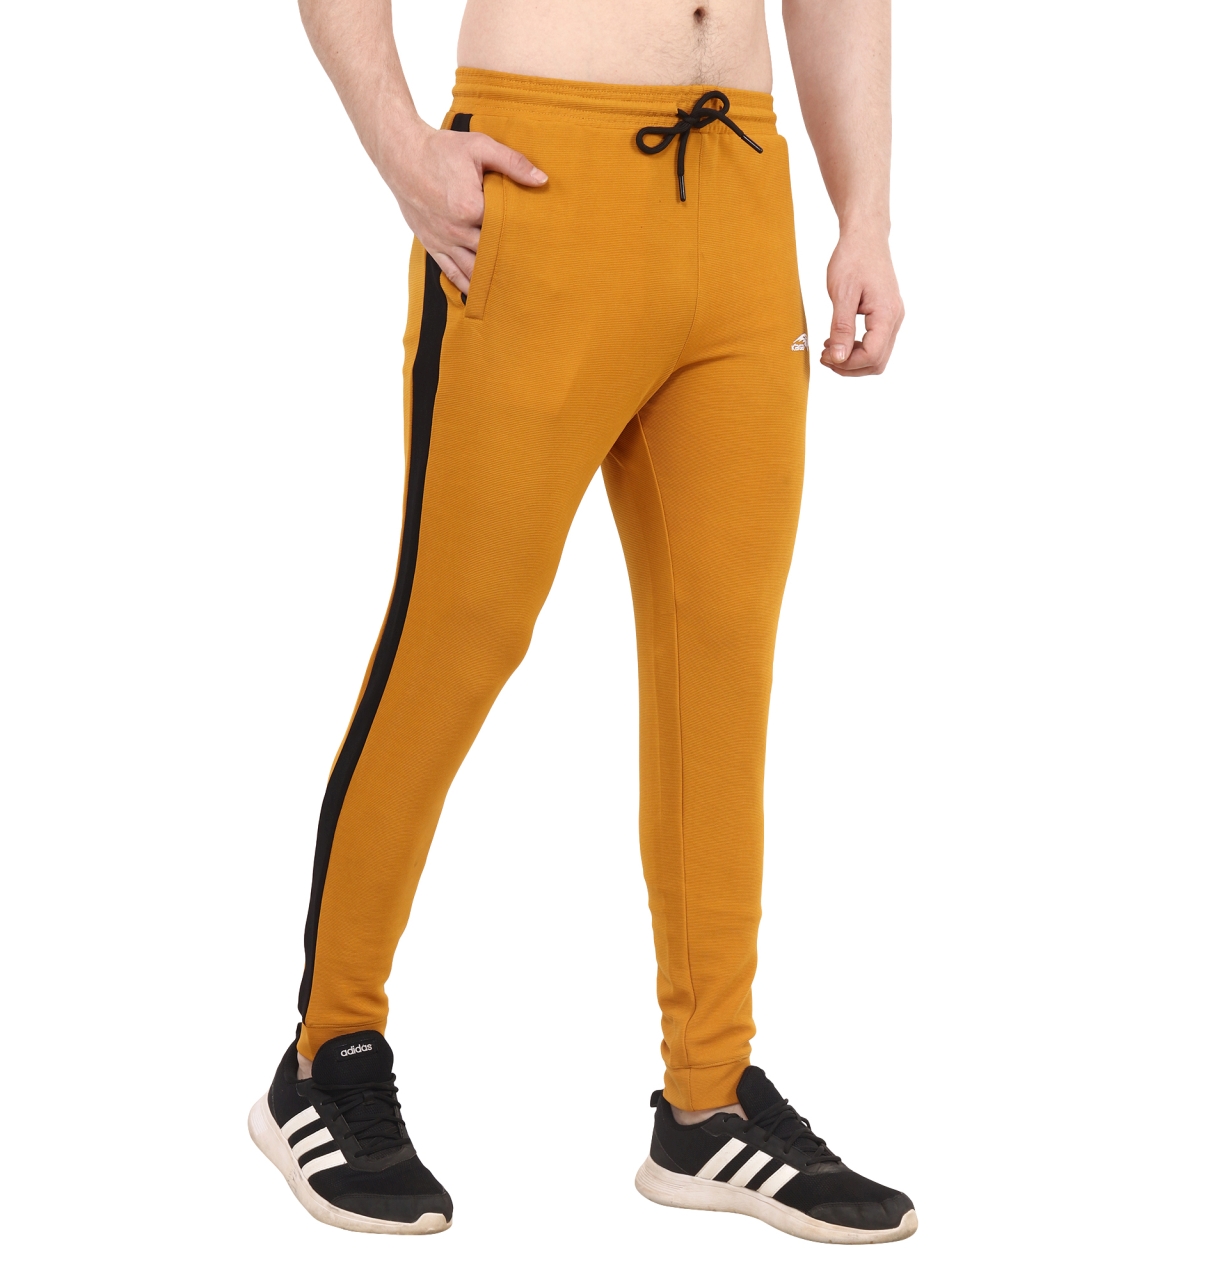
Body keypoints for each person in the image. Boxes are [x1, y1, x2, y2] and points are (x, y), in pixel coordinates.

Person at [248, 0, 912, 1244]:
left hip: (740, 187)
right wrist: (402, 148)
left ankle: (708, 1095)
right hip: (536, 186)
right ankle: (326, 1048)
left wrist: (861, 212)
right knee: (456, 636)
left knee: (721, 664)